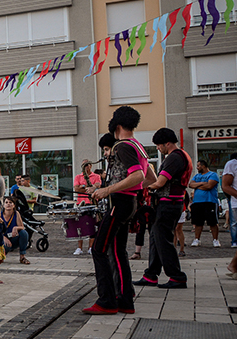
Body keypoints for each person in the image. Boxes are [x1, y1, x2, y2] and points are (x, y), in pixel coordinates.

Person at [85, 106, 153, 315]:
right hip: (129, 202)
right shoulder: (138, 145)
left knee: (98, 248)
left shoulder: (122, 146)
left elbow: (138, 176)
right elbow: (151, 177)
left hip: (120, 203)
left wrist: (107, 189)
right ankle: (124, 299)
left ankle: (107, 300)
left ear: (118, 125)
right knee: (117, 251)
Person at [133, 128, 191, 289]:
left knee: (163, 240)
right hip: (171, 203)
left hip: (168, 203)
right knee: (155, 237)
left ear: (167, 143)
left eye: (159, 145)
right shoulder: (181, 155)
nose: (158, 148)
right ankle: (151, 274)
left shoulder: (175, 157)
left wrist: (141, 186)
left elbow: (160, 183)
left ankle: (177, 276)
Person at [189, 159, 221, 247]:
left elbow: (209, 186)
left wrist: (198, 185)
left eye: (199, 166)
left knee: (213, 222)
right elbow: (190, 185)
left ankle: (215, 240)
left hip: (210, 201)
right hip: (197, 202)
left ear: (204, 166)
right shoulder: (196, 176)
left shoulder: (213, 175)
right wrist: (203, 184)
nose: (197, 167)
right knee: (198, 222)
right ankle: (196, 239)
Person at [73, 160, 102, 255]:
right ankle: (79, 248)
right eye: (84, 165)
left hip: (92, 203)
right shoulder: (78, 177)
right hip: (81, 203)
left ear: (90, 166)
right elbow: (76, 188)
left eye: (88, 165)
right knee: (80, 226)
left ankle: (90, 247)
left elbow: (98, 185)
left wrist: (90, 187)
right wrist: (87, 187)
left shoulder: (96, 176)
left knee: (92, 226)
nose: (86, 167)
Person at [1, 196, 31, 264]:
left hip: (13, 237)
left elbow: (22, 227)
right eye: (6, 202)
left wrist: (16, 228)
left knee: (24, 233)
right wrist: (3, 237)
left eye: (10, 202)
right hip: (1, 240)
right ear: (3, 205)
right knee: (6, 245)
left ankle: (22, 257)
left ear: (14, 205)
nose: (8, 204)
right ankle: (1, 255)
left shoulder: (16, 213)